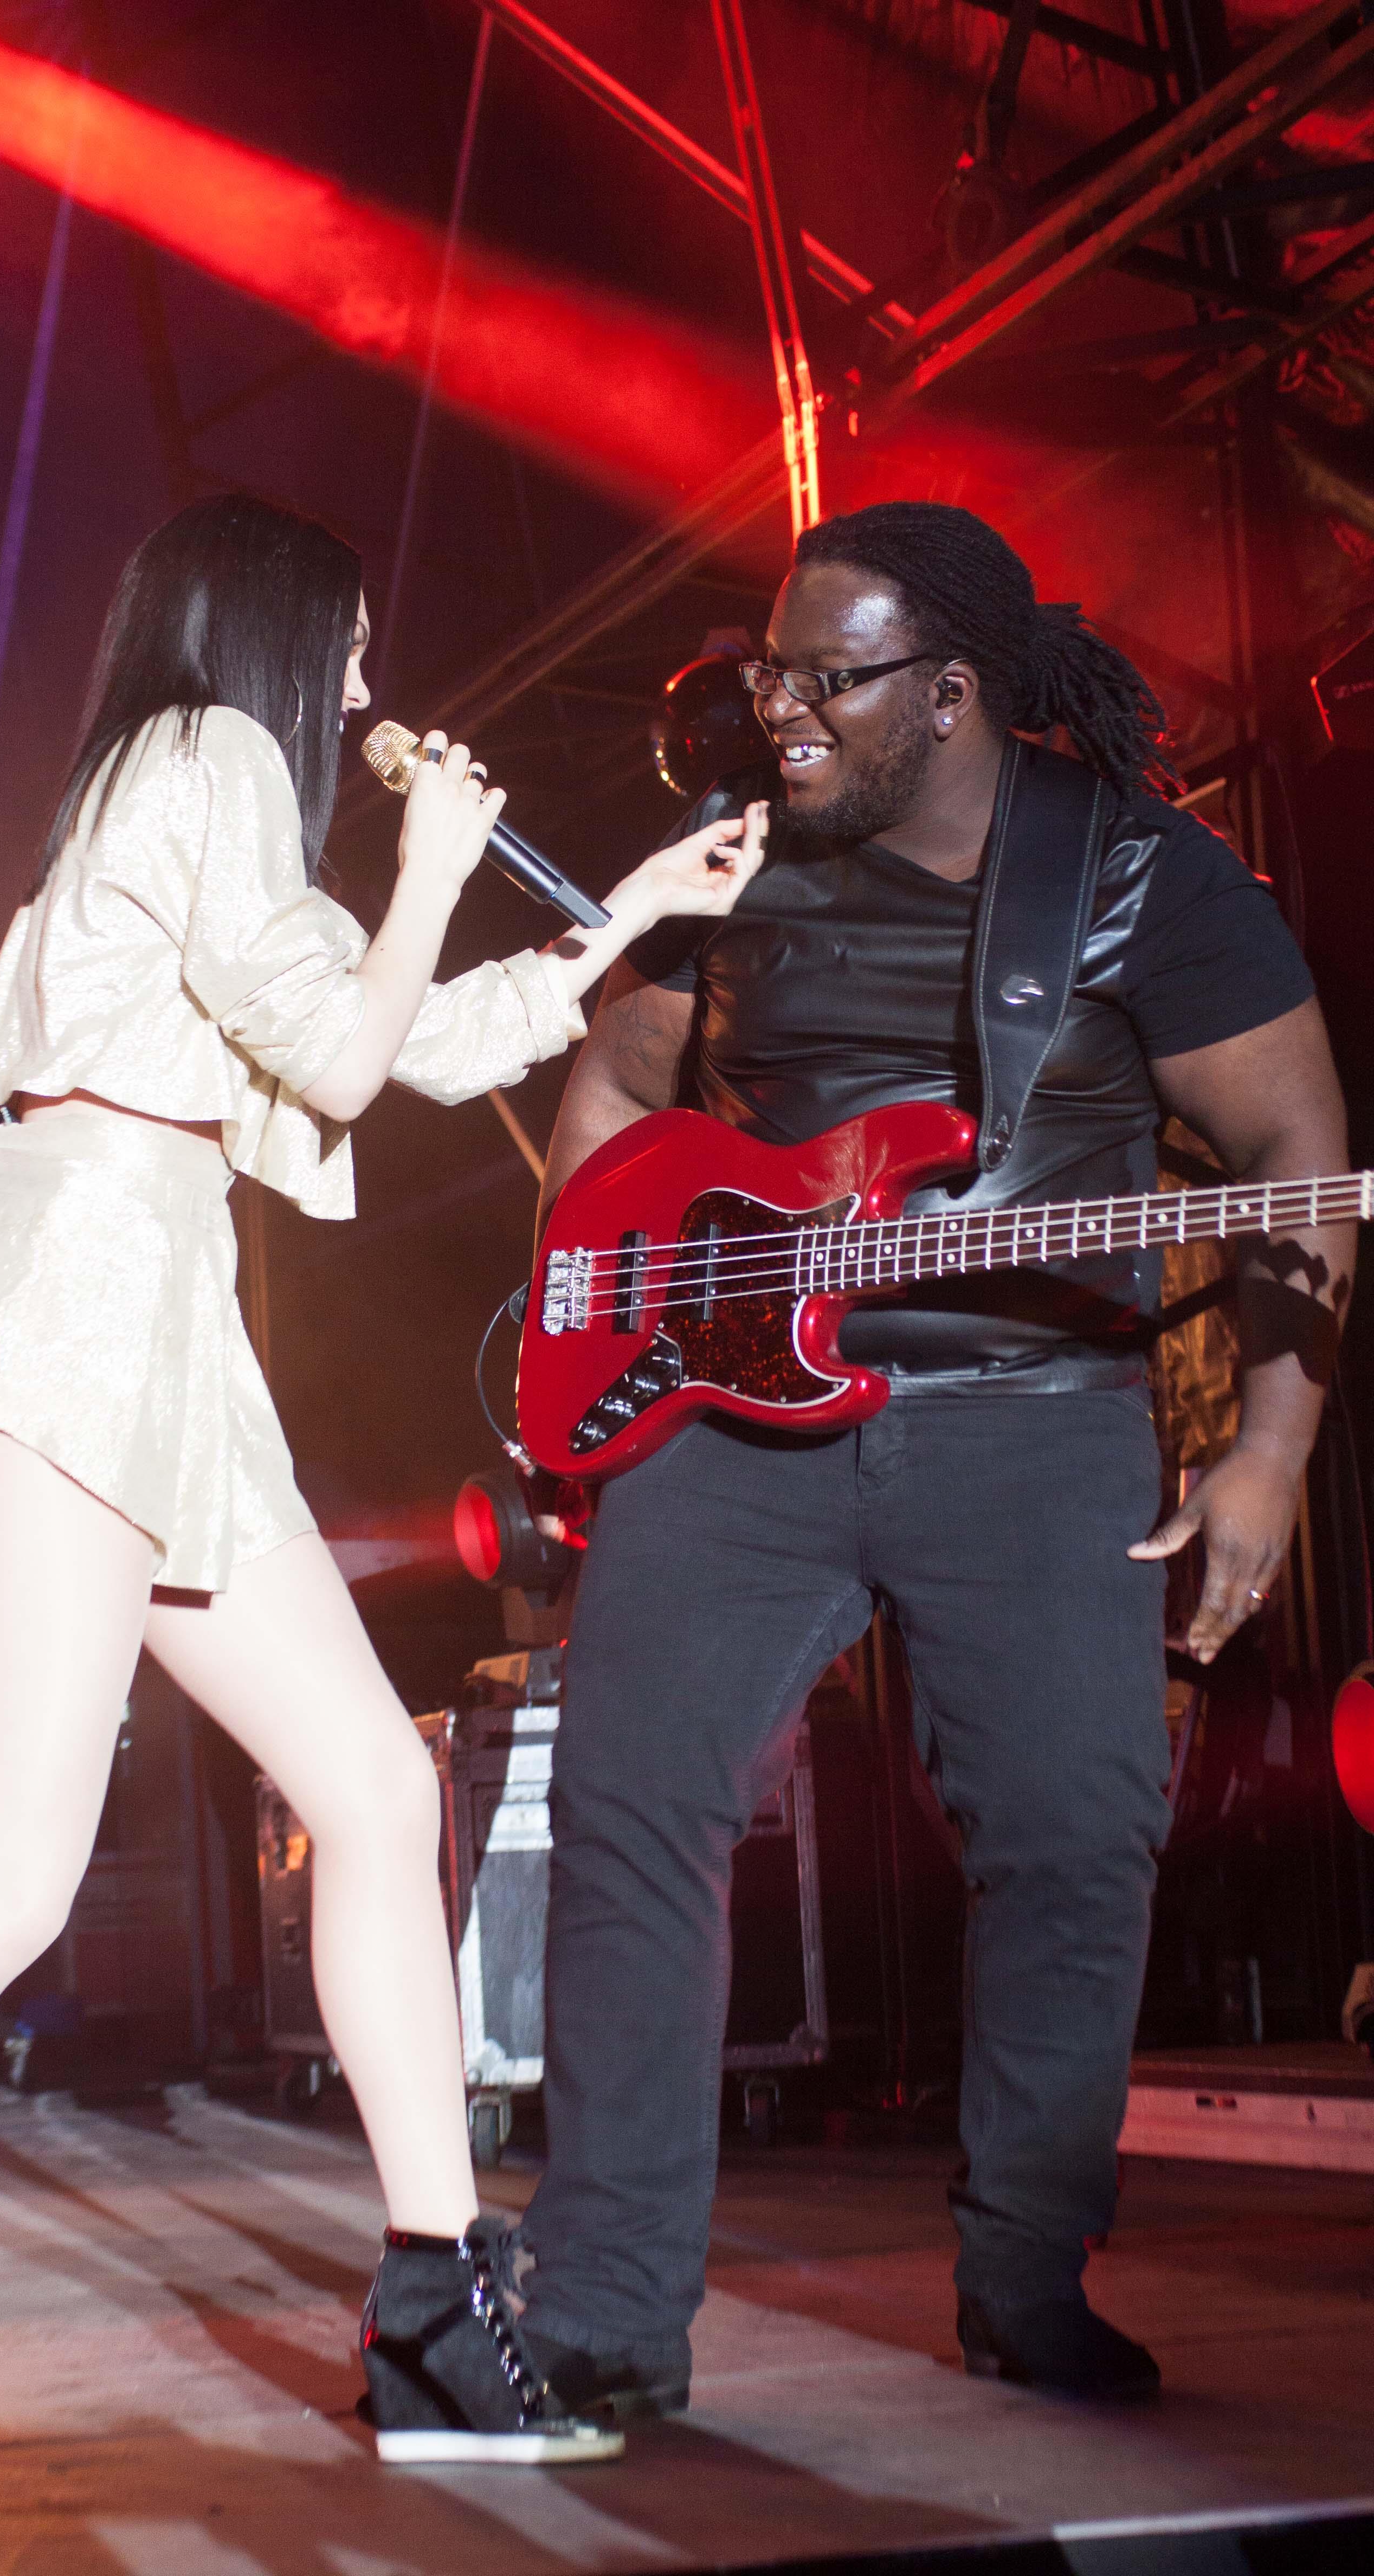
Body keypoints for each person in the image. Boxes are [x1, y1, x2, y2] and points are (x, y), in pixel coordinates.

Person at [0, 491, 767, 2543]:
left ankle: (435, 2311)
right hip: (79, 1302)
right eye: (346, 640)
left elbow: (416, 1041)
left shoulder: (223, 802)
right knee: (1, 1893)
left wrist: (626, 914)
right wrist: (430, 861)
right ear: (267, 627)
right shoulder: (203, 757)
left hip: (163, 1323)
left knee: (367, 1789)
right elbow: (342, 1065)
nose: (365, 684)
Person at [514, 500, 1355, 2414]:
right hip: (724, 1419)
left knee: (1075, 1843)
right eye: (771, 668)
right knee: (632, 1824)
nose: (780, 709)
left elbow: (1300, 1157)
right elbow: (618, 1091)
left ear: (955, 690)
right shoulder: (730, 863)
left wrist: (1274, 1457)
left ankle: (1028, 2280)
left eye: (828, 678)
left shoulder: (1138, 876)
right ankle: (606, 2319)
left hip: (1035, 1424)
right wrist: (604, 1318)